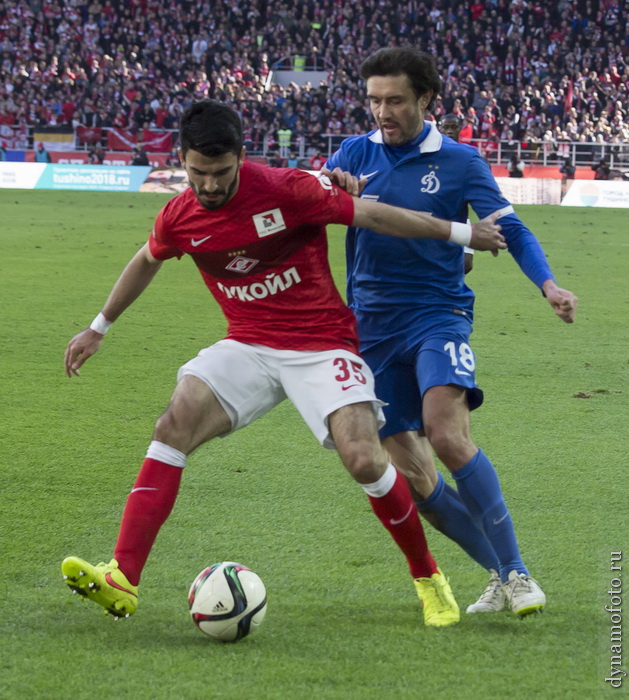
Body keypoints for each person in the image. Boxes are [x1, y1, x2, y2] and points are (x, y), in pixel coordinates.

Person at [60, 99, 505, 628]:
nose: (208, 185)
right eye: (197, 172)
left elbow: (375, 215)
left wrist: (460, 233)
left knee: (364, 459)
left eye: (221, 173)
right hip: (249, 343)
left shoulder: (288, 189)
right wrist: (98, 326)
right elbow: (147, 259)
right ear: (181, 160)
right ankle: (123, 577)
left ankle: (429, 578)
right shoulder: (179, 215)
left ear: (242, 157)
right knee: (173, 422)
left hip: (322, 346)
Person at [324, 48, 578, 617]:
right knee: (416, 479)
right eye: (373, 100)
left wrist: (549, 286)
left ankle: (517, 572)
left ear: (425, 100)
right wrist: (332, 188)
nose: (382, 111)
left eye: (394, 100)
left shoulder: (460, 161)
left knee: (446, 433)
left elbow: (511, 228)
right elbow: (308, 205)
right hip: (371, 329)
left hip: (438, 315)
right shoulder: (351, 154)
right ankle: (497, 572)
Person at [438, 114, 474, 275]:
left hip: (460, 218)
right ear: (440, 129)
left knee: (466, 264)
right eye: (446, 127)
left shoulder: (468, 156)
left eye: (453, 127)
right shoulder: (430, 155)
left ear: (460, 129)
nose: (450, 131)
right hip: (433, 217)